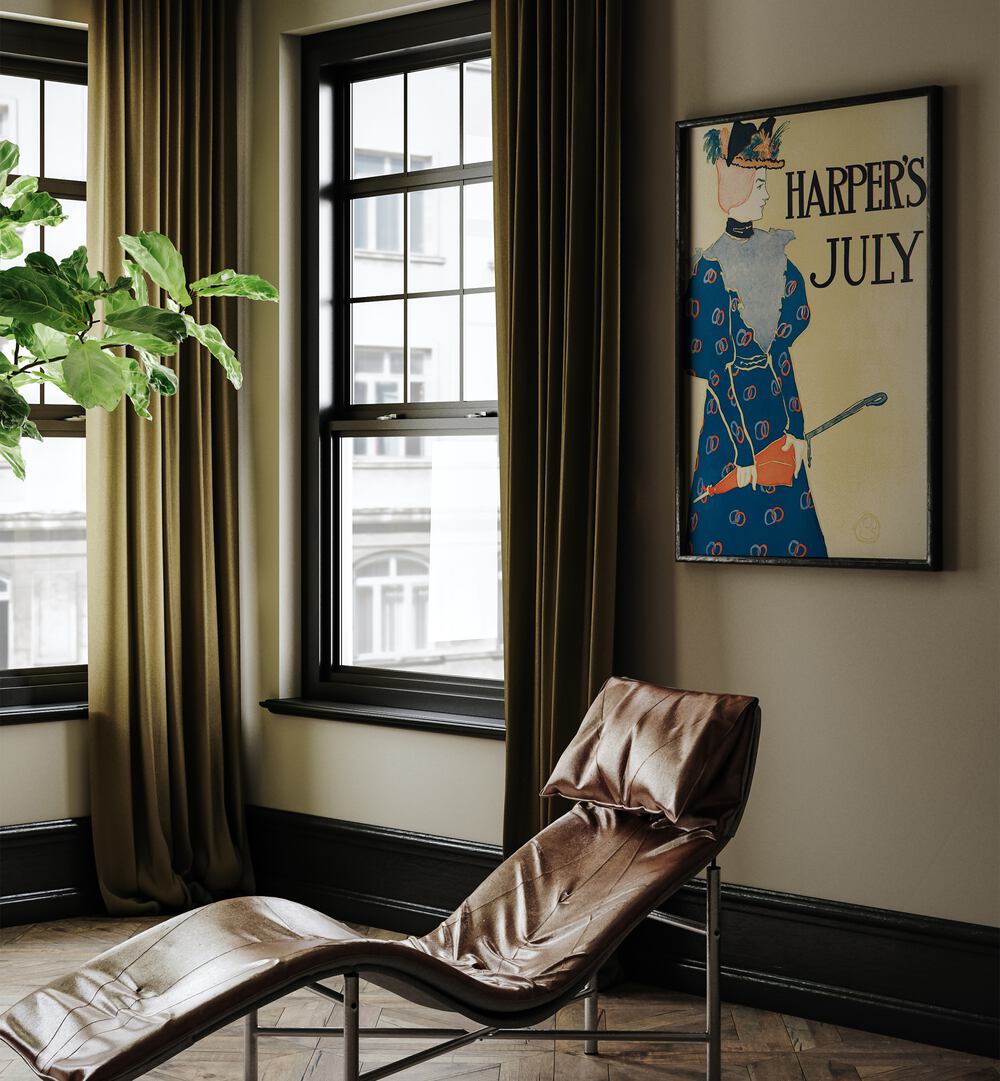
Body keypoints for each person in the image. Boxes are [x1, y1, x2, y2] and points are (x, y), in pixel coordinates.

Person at [685, 117, 827, 560]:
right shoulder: (712, 269)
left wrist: (798, 430)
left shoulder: (778, 259)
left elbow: (781, 356)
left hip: (775, 413)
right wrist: (743, 455)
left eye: (765, 182)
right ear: (736, 185)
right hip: (730, 427)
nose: (766, 193)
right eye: (759, 182)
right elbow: (718, 372)